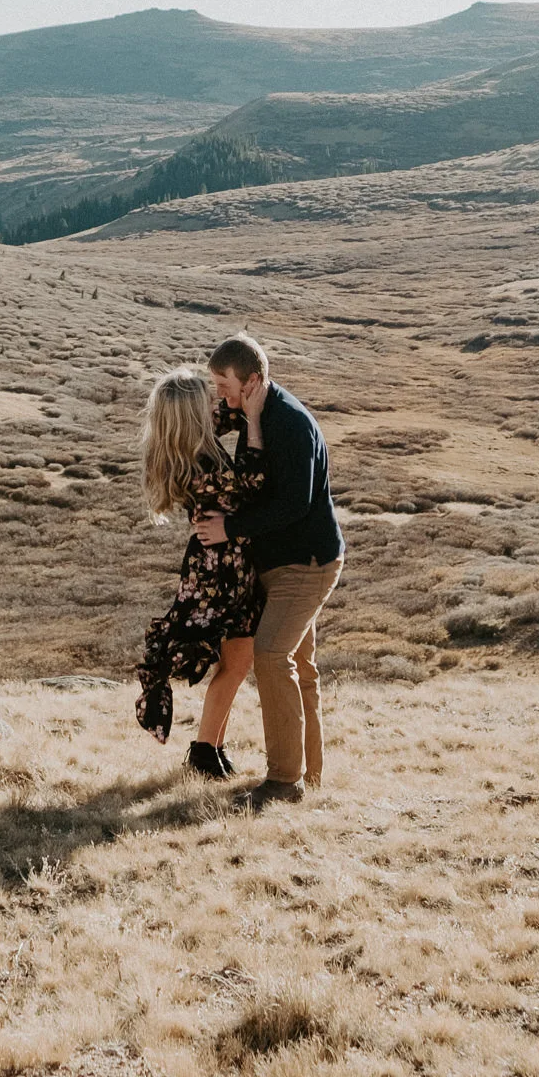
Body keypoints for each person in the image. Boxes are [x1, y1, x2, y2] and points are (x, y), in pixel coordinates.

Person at [190, 333, 342, 806]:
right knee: (299, 667)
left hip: (305, 564)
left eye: (224, 384)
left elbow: (294, 505)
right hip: (283, 564)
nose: (220, 394)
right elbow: (207, 423)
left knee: (272, 658)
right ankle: (309, 776)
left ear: (252, 380)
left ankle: (282, 782)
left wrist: (230, 527)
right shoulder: (256, 409)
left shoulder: (290, 424)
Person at [133, 367, 264, 778]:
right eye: (206, 396)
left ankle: (212, 750)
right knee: (237, 662)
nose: (215, 401)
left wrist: (244, 398)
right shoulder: (200, 459)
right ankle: (205, 753)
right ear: (192, 411)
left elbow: (225, 416)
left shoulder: (192, 442)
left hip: (222, 566)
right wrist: (257, 421)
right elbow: (253, 485)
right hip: (220, 571)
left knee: (236, 662)